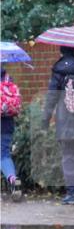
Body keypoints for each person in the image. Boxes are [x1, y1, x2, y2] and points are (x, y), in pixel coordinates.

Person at [42, 46, 74, 205]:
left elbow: (52, 96)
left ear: (62, 51)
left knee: (67, 156)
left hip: (66, 118)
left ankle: (72, 193)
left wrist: (45, 119)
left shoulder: (59, 69)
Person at [1, 63, 24, 202]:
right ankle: (13, 179)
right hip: (7, 123)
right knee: (3, 154)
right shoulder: (8, 79)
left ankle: (12, 180)